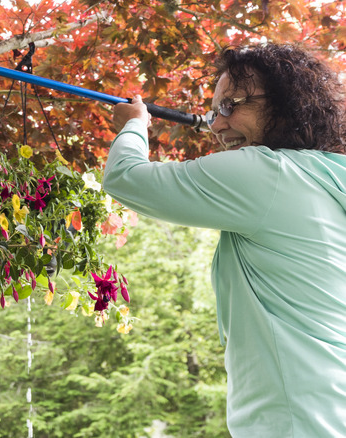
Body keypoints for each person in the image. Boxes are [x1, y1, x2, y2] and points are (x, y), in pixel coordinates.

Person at [104, 43, 346, 437]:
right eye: (215, 111)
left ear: (286, 103)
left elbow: (126, 179)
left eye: (232, 105)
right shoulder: (328, 179)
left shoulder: (269, 175)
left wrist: (133, 123)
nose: (217, 124)